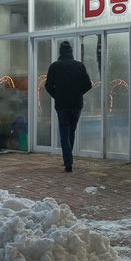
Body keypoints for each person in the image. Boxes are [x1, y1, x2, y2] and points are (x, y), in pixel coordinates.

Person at [45, 40, 92, 172]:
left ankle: (68, 161)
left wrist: (57, 95)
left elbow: (48, 86)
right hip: (76, 104)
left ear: (60, 53)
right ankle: (68, 158)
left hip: (62, 105)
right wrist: (78, 93)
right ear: (71, 52)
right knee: (71, 131)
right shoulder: (79, 66)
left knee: (64, 132)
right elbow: (88, 85)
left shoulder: (54, 66)